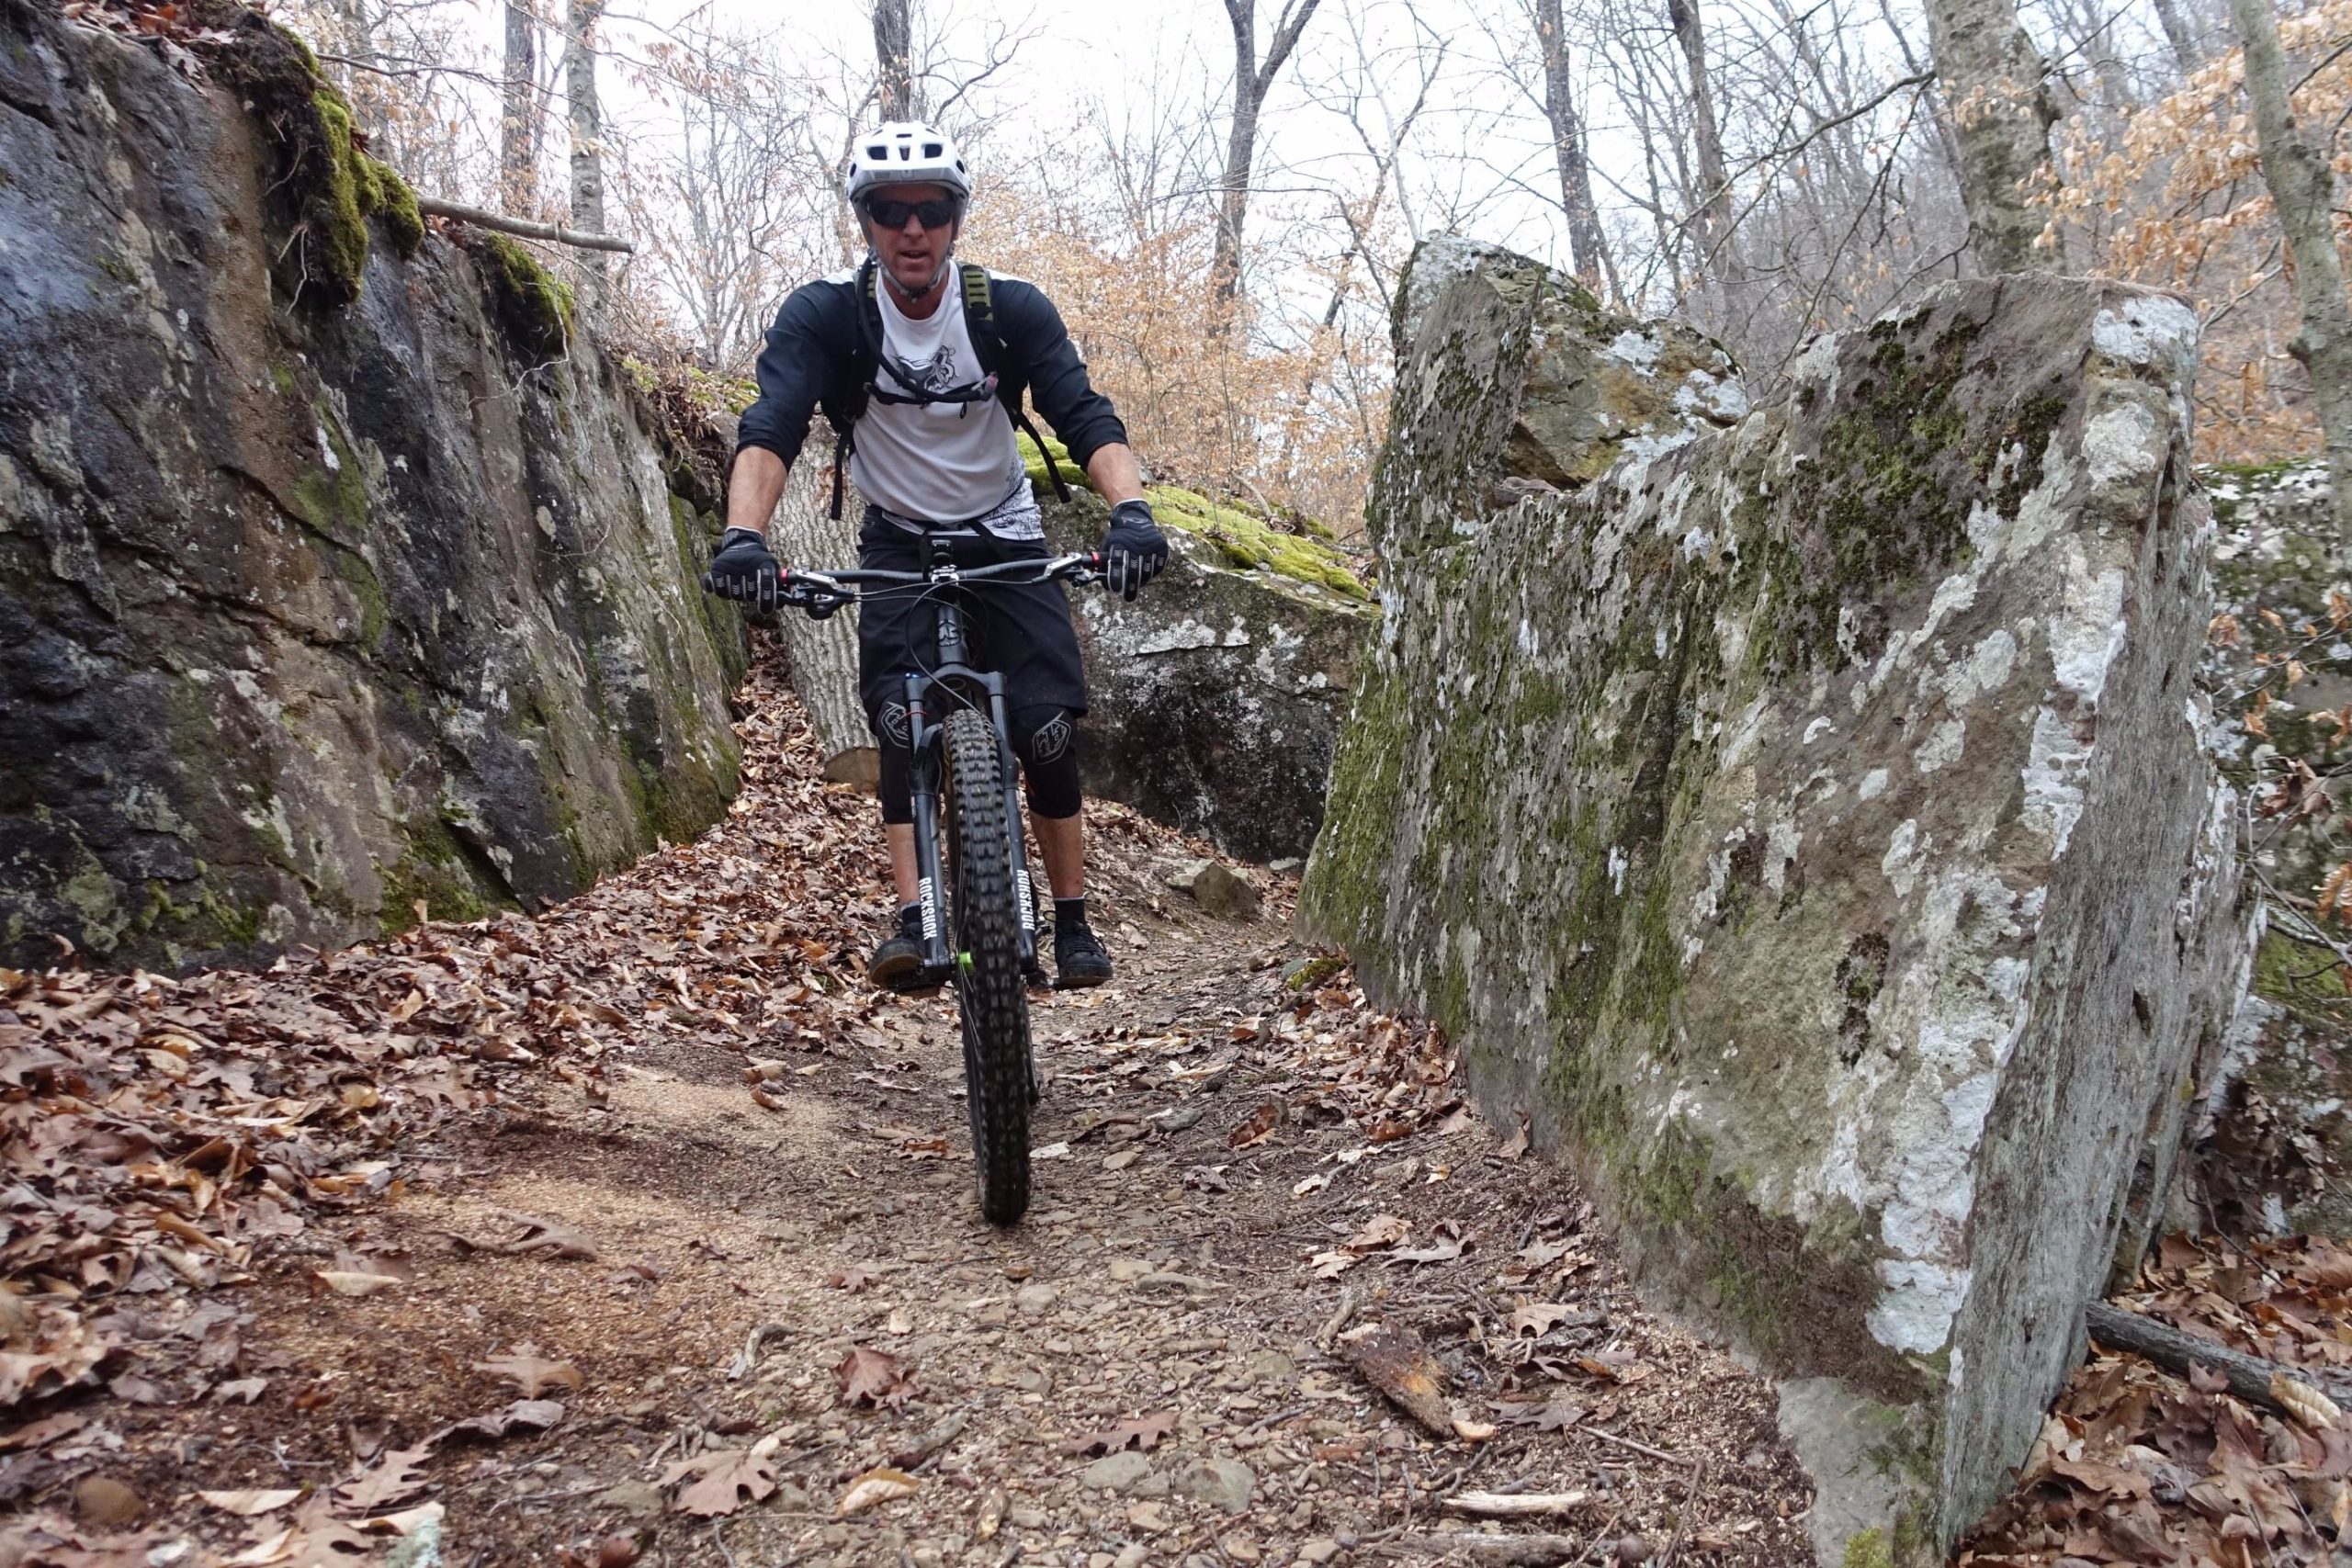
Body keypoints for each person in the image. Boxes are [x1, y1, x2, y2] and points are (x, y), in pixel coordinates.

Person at [705, 121, 1169, 993]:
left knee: (1045, 726)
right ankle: (917, 915)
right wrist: (745, 536)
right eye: (889, 210)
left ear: (956, 219)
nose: (911, 229)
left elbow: (1085, 414)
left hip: (1005, 527)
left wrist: (1132, 512)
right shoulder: (828, 317)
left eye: (931, 210)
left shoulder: (1009, 310)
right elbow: (771, 428)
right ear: (865, 222)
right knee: (899, 724)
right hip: (897, 535)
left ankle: (1070, 919)